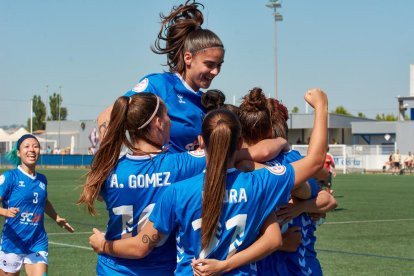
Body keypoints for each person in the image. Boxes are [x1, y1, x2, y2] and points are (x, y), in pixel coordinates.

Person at [88, 88, 328, 275]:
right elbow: (315, 161)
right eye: (168, 116)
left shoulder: (171, 189)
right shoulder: (255, 183)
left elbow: (141, 244)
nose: (171, 121)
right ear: (240, 141)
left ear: (202, 141)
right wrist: (318, 109)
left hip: (119, 267)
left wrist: (103, 245)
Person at [97, 1, 225, 153]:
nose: (215, 72)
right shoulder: (159, 85)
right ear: (188, 58)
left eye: (219, 65)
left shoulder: (208, 103)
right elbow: (107, 117)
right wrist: (109, 163)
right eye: (209, 64)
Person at [0, 134, 74, 275]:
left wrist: (57, 218)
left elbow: (44, 202)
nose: (32, 150)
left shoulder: (42, 179)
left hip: (37, 241)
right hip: (13, 242)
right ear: (18, 152)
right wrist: (5, 212)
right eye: (26, 146)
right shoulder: (10, 177)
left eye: (35, 146)